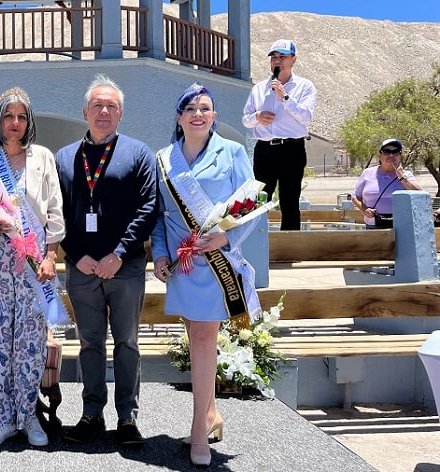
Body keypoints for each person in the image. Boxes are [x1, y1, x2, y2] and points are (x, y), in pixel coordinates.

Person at [151, 83, 262, 467]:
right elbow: (160, 214)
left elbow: (252, 203)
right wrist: (160, 254)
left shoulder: (232, 152)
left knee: (202, 338)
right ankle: (211, 414)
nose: (197, 114)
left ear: (213, 116)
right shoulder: (164, 159)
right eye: (190, 109)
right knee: (196, 337)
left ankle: (199, 432)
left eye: (205, 108)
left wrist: (226, 238)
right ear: (179, 117)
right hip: (183, 264)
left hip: (216, 262)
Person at [55, 74, 157, 446]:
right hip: (82, 269)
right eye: (97, 105)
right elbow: (56, 212)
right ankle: (92, 414)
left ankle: (127, 417)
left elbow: (148, 208)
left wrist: (119, 254)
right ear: (85, 111)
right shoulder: (65, 158)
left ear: (120, 114)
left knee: (127, 342)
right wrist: (76, 254)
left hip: (125, 268)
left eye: (111, 106)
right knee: (90, 343)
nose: (103, 111)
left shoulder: (139, 154)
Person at [0, 87, 65, 447]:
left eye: (22, 117)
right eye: (9, 116)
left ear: (29, 122)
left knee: (30, 342)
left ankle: (28, 416)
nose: (15, 122)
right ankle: (0, 419)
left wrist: (51, 257)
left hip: (33, 265)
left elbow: (54, 211)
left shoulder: (43, 157)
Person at [242, 39, 316, 230]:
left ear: (294, 59)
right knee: (260, 199)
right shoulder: (259, 88)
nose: (277, 61)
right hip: (264, 150)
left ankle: (290, 244)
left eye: (282, 56)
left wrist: (284, 97)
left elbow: (305, 117)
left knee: (289, 199)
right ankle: (257, 240)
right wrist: (257, 116)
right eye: (273, 57)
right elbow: (246, 120)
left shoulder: (305, 86)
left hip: (292, 149)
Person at [352, 138, 422, 229]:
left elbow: (419, 194)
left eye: (395, 152)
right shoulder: (367, 173)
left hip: (401, 226)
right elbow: (355, 196)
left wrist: (401, 177)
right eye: (386, 152)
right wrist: (364, 210)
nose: (391, 155)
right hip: (373, 225)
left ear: (400, 156)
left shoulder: (406, 175)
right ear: (380, 155)